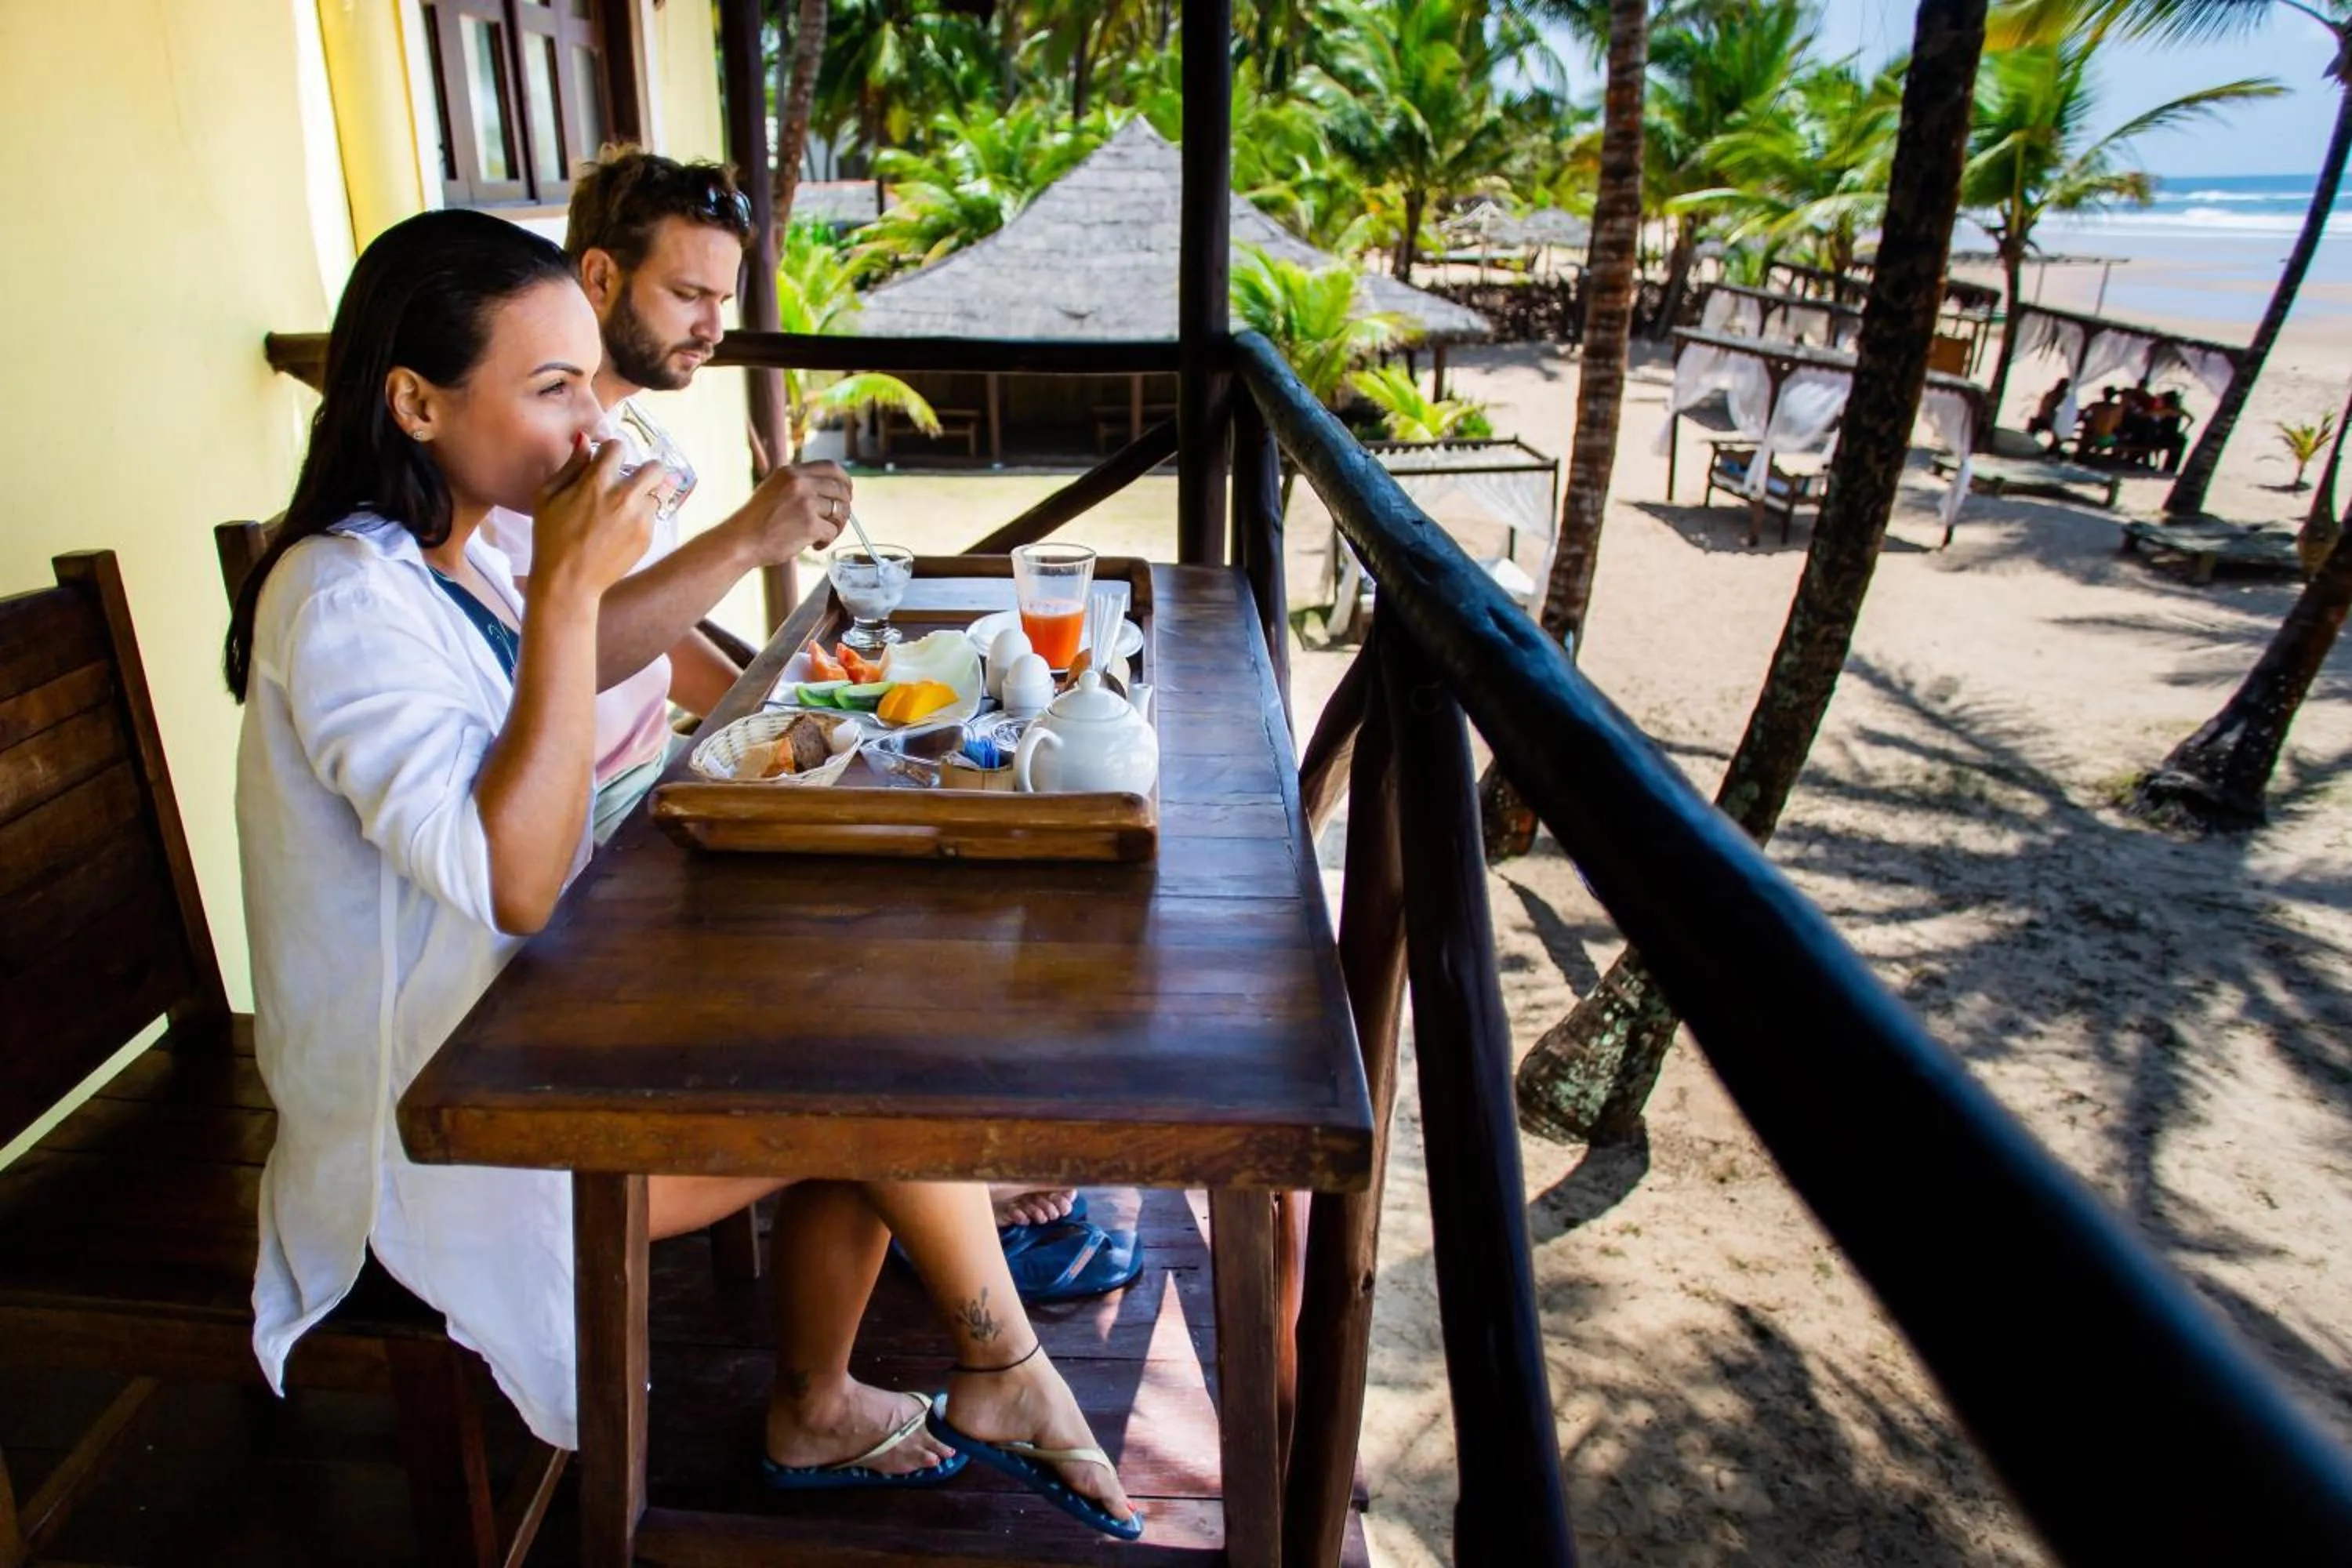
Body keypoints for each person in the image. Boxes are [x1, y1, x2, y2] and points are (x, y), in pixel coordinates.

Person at [227, 209, 1138, 1540]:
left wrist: (578, 600)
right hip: (437, 1129)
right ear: (416, 402)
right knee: (865, 1077)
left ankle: (882, 1372)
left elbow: (571, 728)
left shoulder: (463, 553)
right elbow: (515, 881)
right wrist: (570, 596)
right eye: (551, 391)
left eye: (585, 385)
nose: (591, 429)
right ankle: (990, 1363)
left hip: (524, 1028)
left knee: (856, 994)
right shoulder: (343, 603)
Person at [2025, 376, 2072, 448]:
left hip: (2043, 416)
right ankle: (2054, 448)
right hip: (2048, 418)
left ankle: (2054, 447)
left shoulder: (2050, 394)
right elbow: (2054, 408)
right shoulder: (2060, 395)